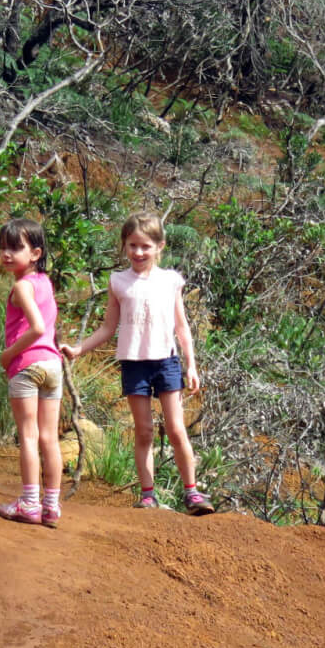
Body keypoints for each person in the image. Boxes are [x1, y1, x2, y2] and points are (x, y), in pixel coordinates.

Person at [61, 213, 213, 515]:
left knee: (175, 428)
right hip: (133, 363)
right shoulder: (118, 281)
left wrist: (191, 365)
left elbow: (182, 328)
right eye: (132, 245)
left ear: (160, 246)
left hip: (166, 360)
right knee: (143, 431)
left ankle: (192, 493)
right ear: (124, 246)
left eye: (145, 246)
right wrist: (79, 349)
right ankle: (148, 495)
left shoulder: (170, 281)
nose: (138, 252)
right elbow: (108, 328)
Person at [0, 218, 64, 528]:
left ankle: (29, 503)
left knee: (28, 435)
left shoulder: (21, 286)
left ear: (35, 252)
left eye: (15, 248)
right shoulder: (45, 283)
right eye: (3, 248)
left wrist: (8, 355)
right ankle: (51, 506)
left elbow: (36, 327)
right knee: (50, 438)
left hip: (26, 365)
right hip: (52, 365)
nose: (7, 254)